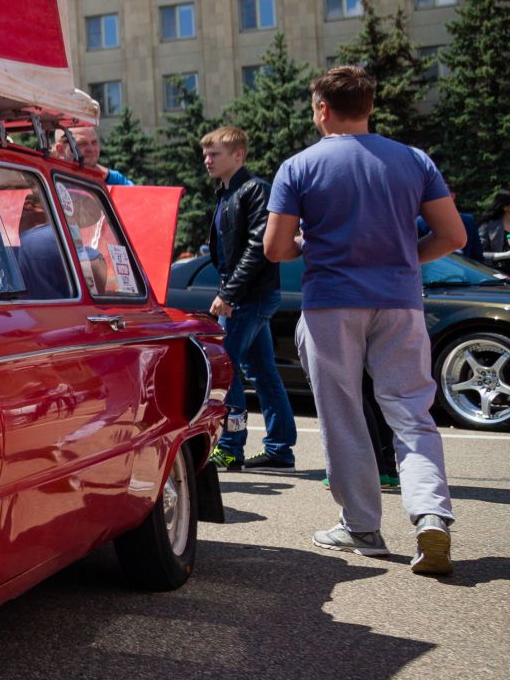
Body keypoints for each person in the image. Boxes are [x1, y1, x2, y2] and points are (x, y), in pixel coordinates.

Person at [264, 66, 467, 576]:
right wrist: (401, 258)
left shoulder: (299, 166)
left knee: (342, 413)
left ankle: (361, 528)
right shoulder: (414, 160)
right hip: (399, 301)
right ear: (370, 106)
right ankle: (431, 517)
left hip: (332, 302)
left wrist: (309, 245)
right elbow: (453, 236)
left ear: (322, 109)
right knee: (411, 412)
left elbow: (275, 247)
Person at [199, 127, 299, 472]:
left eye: (215, 154)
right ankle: (280, 448)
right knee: (263, 372)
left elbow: (258, 248)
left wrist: (228, 294)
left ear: (238, 155)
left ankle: (230, 446)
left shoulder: (253, 189)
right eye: (206, 153)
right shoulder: (227, 193)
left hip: (249, 297)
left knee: (226, 367)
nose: (207, 159)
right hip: (244, 295)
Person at [61, 124, 134, 186]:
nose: (91, 149)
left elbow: (136, 194)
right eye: (82, 143)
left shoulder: (110, 178)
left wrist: (109, 176)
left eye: (94, 142)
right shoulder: (54, 182)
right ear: (60, 149)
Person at [475, 187, 509, 268]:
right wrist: (504, 255)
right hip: (494, 274)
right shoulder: (488, 226)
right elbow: (477, 253)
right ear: (505, 207)